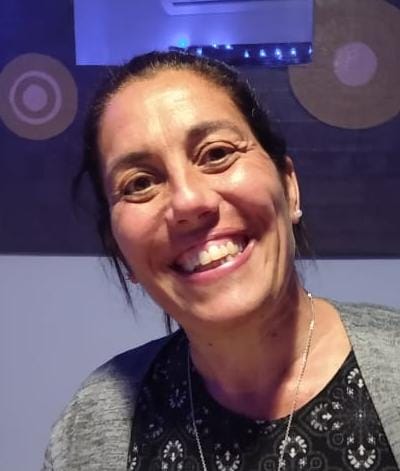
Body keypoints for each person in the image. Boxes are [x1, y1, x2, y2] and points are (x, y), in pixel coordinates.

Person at [42, 51, 400, 471]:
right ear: (121, 252)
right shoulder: (89, 426)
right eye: (139, 183)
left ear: (289, 189)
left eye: (216, 154)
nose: (188, 201)